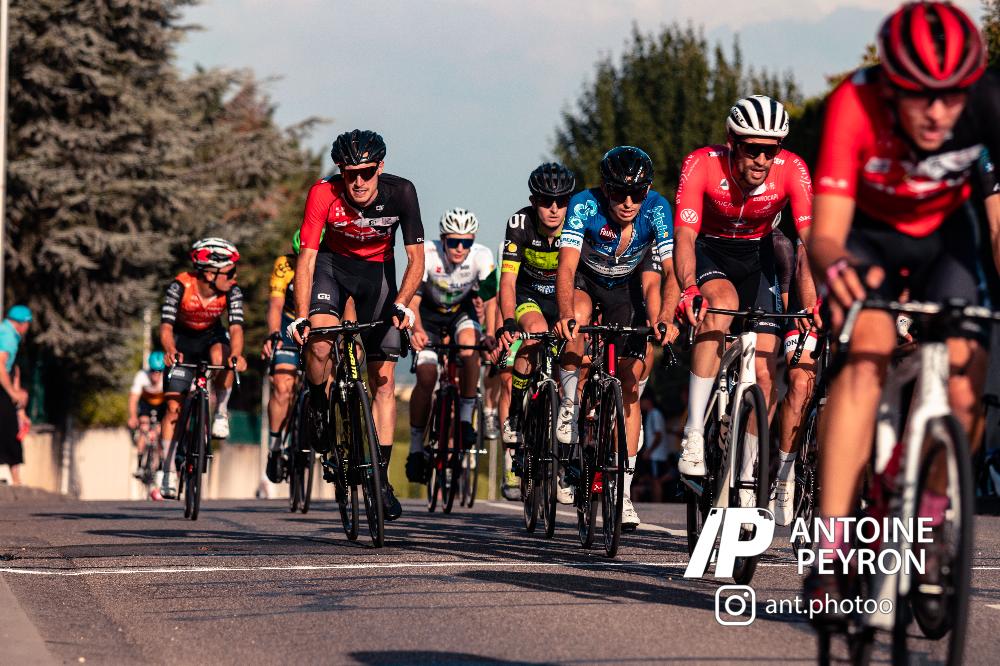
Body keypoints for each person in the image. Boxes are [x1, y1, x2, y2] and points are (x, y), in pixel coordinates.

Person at [805, 2, 1000, 614]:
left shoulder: (987, 104)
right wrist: (841, 274)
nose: (939, 112)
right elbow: (825, 235)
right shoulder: (855, 104)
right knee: (869, 347)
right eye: (921, 96)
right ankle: (832, 548)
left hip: (946, 240)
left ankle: (932, 521)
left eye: (952, 95)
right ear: (891, 86)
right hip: (866, 238)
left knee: (967, 376)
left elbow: (998, 228)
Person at [673, 96, 814, 514]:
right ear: (732, 142)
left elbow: (808, 244)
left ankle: (749, 476)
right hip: (710, 251)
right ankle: (694, 432)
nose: (762, 160)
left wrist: (815, 302)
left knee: (766, 376)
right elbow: (684, 236)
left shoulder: (793, 169)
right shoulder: (702, 164)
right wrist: (688, 288)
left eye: (771, 150)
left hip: (757, 256)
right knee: (722, 304)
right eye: (753, 149)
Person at [289, 129, 425, 521]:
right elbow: (307, 259)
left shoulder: (402, 192)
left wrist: (402, 303)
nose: (359, 182)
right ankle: (319, 401)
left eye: (367, 172)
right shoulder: (323, 193)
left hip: (377, 274)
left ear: (379, 167)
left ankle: (380, 479)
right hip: (331, 268)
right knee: (319, 342)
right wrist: (301, 314)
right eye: (351, 174)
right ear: (340, 172)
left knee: (383, 379)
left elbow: (416, 259)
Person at [554, 146, 680, 529]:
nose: (628, 202)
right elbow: (566, 267)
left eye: (636, 193)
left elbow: (667, 273)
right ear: (605, 188)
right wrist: (564, 314)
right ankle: (571, 405)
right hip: (586, 281)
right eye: (619, 193)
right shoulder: (584, 205)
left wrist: (664, 318)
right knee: (577, 318)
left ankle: (623, 493)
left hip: (626, 289)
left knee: (629, 382)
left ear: (648, 190)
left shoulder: (657, 209)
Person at [496, 162, 576, 501]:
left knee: (575, 355)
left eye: (561, 201)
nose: (554, 209)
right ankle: (516, 411)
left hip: (563, 298)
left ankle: (568, 457)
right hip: (529, 296)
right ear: (534, 202)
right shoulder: (520, 223)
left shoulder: (576, 223)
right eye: (546, 201)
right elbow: (508, 280)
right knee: (535, 333)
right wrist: (507, 322)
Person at [406, 208, 495, 482]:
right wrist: (416, 330)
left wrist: (491, 334)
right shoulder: (428, 253)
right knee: (426, 376)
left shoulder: (482, 256)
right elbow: (413, 300)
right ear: (443, 239)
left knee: (470, 348)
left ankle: (466, 419)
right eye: (454, 241)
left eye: (466, 242)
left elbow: (491, 299)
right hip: (428, 316)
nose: (459, 248)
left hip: (460, 313)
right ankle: (416, 446)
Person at [155, 238, 247, 500]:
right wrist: (170, 350)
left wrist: (237, 355)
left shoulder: (232, 291)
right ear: (209, 273)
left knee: (224, 356)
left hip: (211, 337)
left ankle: (220, 412)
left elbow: (236, 328)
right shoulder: (179, 286)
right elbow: (166, 327)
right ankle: (168, 470)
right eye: (230, 271)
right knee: (173, 407)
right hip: (182, 340)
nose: (234, 277)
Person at [262, 230, 308, 484]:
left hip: (317, 326)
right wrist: (273, 334)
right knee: (282, 386)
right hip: (289, 326)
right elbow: (275, 305)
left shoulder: (330, 264)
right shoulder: (285, 265)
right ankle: (276, 445)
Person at [0, 305, 32, 485]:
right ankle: (16, 480)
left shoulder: (6, 332)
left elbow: (13, 369)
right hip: (2, 388)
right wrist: (12, 392)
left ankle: (16, 478)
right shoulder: (8, 336)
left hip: (5, 386)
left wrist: (20, 409)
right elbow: (1, 365)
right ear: (22, 323)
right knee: (9, 430)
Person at [127, 351, 166, 477]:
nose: (156, 374)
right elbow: (133, 398)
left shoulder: (166, 378)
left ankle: (160, 466)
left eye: (159, 371)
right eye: (153, 370)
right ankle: (139, 465)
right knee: (144, 428)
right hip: (146, 404)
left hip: (161, 405)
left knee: (161, 431)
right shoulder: (141, 376)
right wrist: (133, 417)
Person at [640, 394, 671, 503]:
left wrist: (649, 451)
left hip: (656, 454)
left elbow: (658, 435)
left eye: (642, 401)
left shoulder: (654, 414)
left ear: (648, 401)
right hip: (656, 454)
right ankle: (656, 502)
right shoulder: (652, 414)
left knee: (656, 480)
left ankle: (657, 504)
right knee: (654, 479)